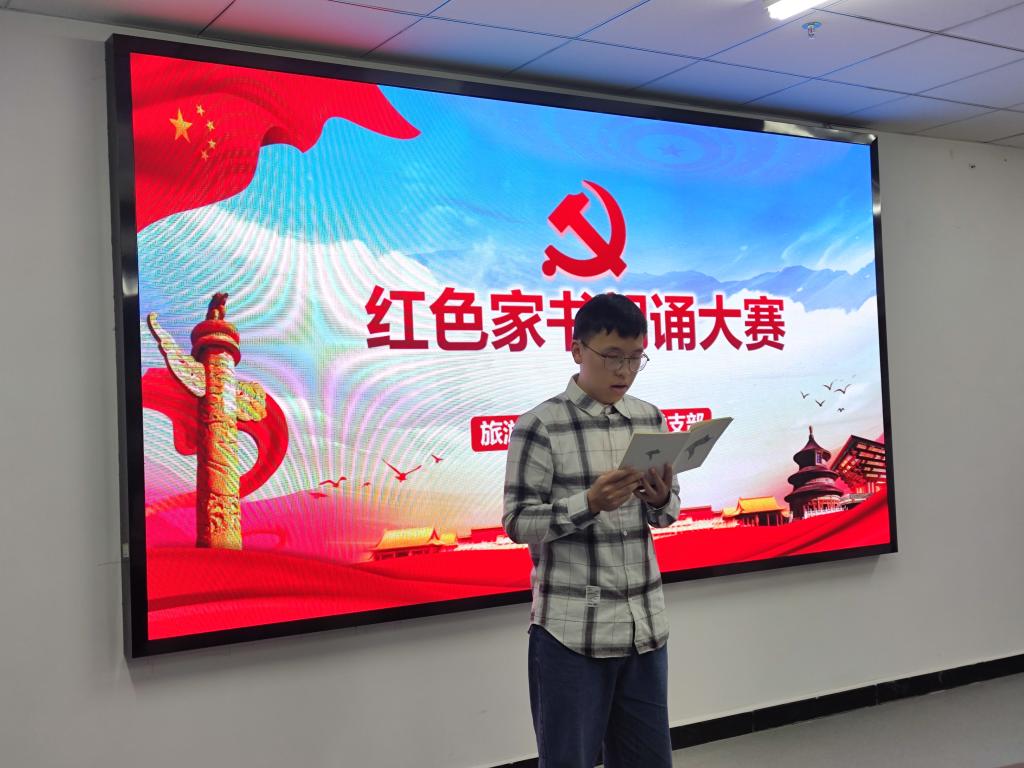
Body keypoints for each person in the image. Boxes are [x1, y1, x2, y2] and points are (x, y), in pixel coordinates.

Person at [503, 292, 681, 768]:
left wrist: (660, 499)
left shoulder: (649, 419)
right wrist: (589, 504)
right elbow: (517, 521)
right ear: (578, 350)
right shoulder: (540, 426)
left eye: (636, 358)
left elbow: (666, 515)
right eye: (613, 357)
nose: (625, 371)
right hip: (571, 634)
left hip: (644, 626)